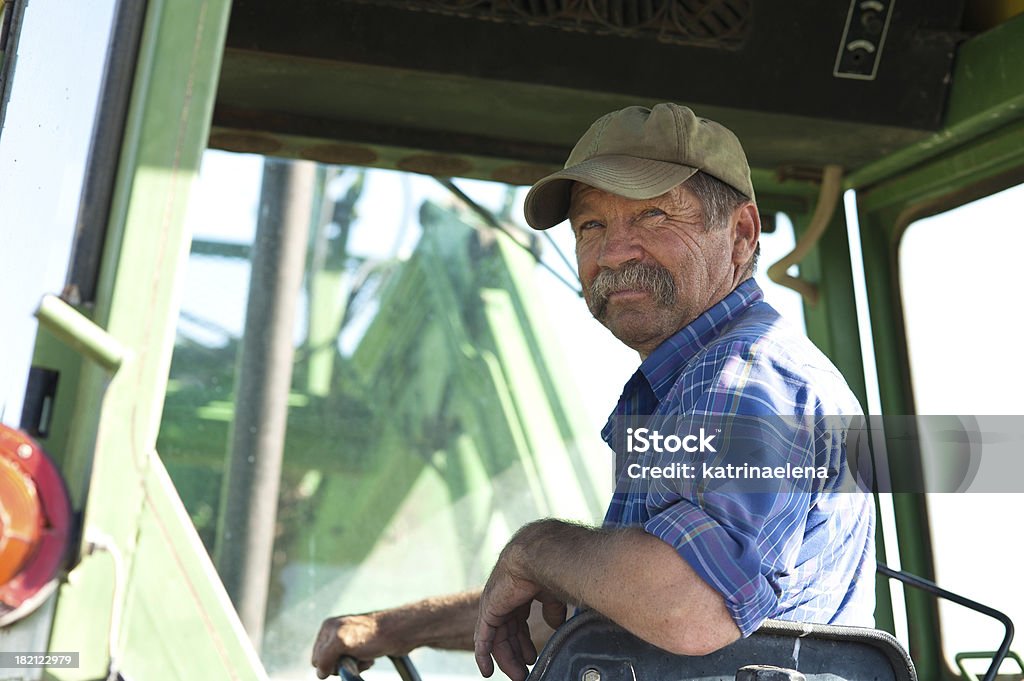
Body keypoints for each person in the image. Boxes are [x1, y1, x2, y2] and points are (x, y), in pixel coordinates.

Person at [311, 103, 875, 680]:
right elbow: (605, 612)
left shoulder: (741, 377)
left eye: (654, 216)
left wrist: (536, 547)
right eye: (591, 226)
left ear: (740, 235)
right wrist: (398, 630)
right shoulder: (689, 384)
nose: (613, 252)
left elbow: (691, 608)